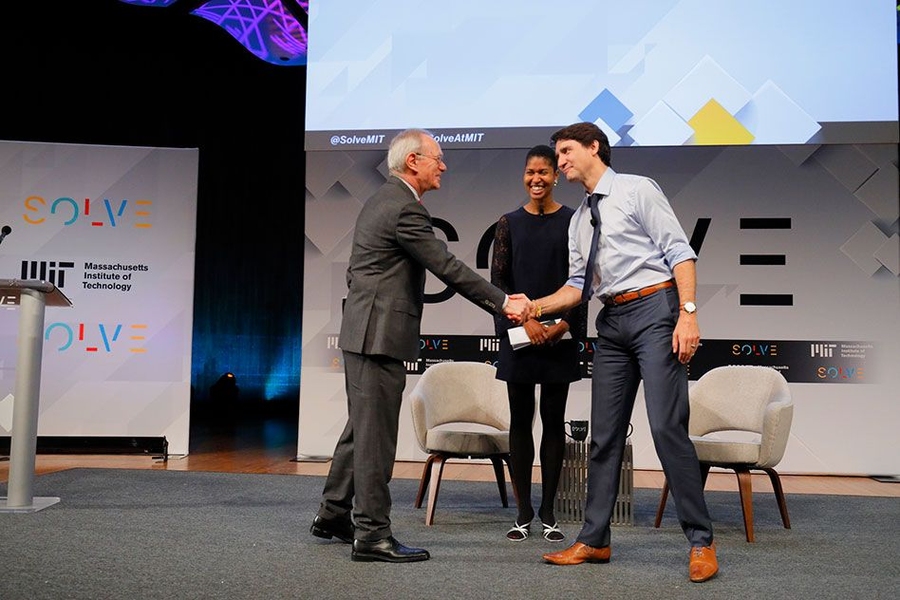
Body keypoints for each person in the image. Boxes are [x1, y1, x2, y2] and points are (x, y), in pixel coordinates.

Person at [310, 128, 529, 564]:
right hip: (378, 336)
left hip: (365, 331)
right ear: (413, 161)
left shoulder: (383, 201)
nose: (443, 166)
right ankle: (372, 534)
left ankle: (334, 514)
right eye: (437, 158)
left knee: (362, 430)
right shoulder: (404, 208)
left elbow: (360, 274)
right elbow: (446, 266)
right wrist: (504, 301)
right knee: (376, 438)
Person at [526, 122, 718, 582]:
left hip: (656, 309)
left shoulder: (635, 190)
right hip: (611, 323)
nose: (561, 161)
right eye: (558, 154)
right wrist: (533, 306)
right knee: (605, 436)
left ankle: (700, 541)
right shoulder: (578, 220)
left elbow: (680, 253)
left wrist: (687, 314)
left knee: (667, 426)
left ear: (595, 148)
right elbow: (576, 289)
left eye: (567, 150)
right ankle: (594, 540)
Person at [490, 145, 587, 543]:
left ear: (556, 176)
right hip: (519, 338)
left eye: (544, 172)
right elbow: (498, 289)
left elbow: (584, 282)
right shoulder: (508, 223)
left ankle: (548, 513)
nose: (536, 179)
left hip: (559, 338)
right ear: (524, 175)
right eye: (530, 172)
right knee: (519, 422)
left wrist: (563, 325)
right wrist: (525, 323)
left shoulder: (573, 221)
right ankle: (523, 513)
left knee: (552, 421)